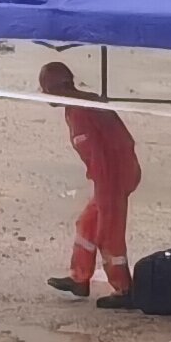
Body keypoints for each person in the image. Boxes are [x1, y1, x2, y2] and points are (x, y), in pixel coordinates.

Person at [42, 59, 139, 298]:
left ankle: (124, 289)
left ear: (54, 88)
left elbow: (100, 155)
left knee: (109, 233)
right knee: (87, 225)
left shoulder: (80, 113)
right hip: (111, 175)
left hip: (112, 177)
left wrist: (106, 190)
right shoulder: (79, 105)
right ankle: (79, 278)